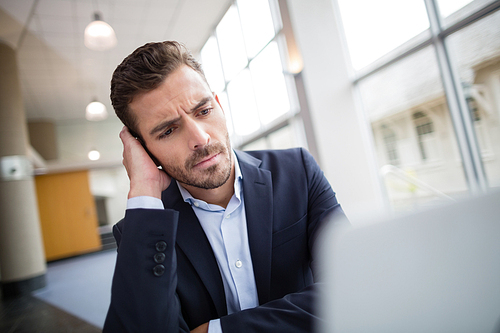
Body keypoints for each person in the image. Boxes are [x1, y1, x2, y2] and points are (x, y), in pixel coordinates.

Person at [103, 41, 347, 333]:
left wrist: (215, 331)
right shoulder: (143, 231)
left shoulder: (297, 172)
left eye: (203, 111)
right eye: (168, 130)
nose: (200, 138)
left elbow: (352, 286)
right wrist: (143, 188)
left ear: (218, 104)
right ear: (144, 149)